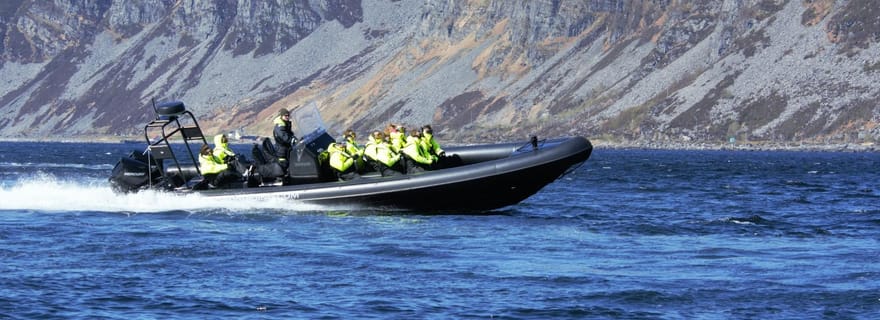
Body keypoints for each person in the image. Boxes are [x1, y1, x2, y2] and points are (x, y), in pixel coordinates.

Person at [273, 108, 297, 173]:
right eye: (285, 115)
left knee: (290, 163)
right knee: (284, 165)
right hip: (281, 150)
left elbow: (290, 134)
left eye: (288, 115)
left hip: (286, 148)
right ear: (281, 116)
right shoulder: (280, 126)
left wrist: (296, 138)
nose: (287, 117)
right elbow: (284, 136)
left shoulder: (285, 124)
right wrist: (292, 140)